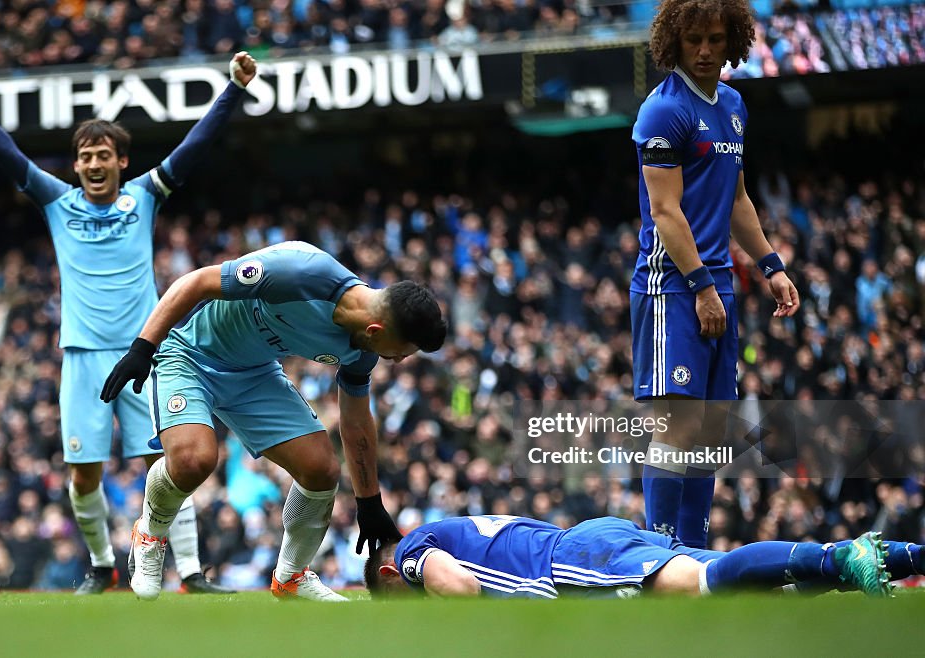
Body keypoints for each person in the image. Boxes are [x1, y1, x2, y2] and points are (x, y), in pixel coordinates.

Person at [0, 52, 260, 595]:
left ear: (121, 162)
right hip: (83, 358)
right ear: (76, 165)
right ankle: (102, 566)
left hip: (147, 351)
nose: (92, 164)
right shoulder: (57, 202)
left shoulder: (144, 196)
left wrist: (232, 89)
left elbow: (194, 148)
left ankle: (190, 572)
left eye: (103, 155)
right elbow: (5, 152)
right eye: (85, 156)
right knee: (84, 474)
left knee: (173, 462)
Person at [100, 241, 448, 601]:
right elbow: (196, 282)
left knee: (321, 469)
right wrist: (142, 347)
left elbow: (357, 422)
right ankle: (150, 533)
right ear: (376, 330)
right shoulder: (299, 273)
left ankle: (291, 578)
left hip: (255, 373)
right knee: (194, 460)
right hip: (189, 355)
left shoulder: (362, 349)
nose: (397, 362)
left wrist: (369, 502)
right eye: (400, 353)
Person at [629, 0, 800, 549]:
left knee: (708, 433)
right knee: (675, 428)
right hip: (671, 286)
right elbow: (665, 212)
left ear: (733, 42)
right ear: (673, 42)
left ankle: (696, 555)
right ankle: (657, 556)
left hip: (717, 284)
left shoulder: (732, 105)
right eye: (694, 40)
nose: (705, 51)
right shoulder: (663, 110)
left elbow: (737, 197)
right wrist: (702, 287)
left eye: (715, 40)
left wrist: (770, 265)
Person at [365, 515, 905, 599]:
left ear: (391, 573)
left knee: (708, 581)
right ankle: (907, 558)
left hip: (573, 559)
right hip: (593, 538)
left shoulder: (412, 550)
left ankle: (841, 557)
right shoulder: (449, 527)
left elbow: (458, 588)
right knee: (760, 587)